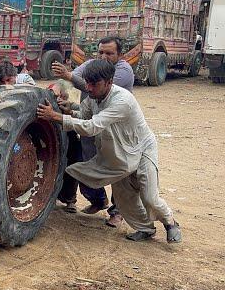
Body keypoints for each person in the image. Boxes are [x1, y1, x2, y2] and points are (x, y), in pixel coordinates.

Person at [36, 59, 182, 243]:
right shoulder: (93, 98)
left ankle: (170, 223)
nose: (88, 88)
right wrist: (70, 110)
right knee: (124, 197)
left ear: (109, 82)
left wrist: (56, 116)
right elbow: (84, 115)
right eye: (87, 83)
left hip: (142, 149)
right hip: (118, 153)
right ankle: (145, 229)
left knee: (150, 196)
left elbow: (92, 126)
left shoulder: (122, 100)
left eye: (93, 84)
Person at [52, 36, 133, 228]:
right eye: (101, 52)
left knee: (117, 170)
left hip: (112, 128)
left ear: (120, 55)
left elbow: (90, 83)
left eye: (109, 53)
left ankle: (117, 212)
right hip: (88, 121)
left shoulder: (123, 71)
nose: (104, 57)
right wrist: (58, 89)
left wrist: (70, 77)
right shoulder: (91, 64)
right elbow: (68, 79)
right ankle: (98, 200)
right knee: (87, 164)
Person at [47, 80, 80, 213]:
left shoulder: (74, 102)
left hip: (70, 135)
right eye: (58, 96)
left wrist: (68, 112)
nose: (59, 99)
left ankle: (70, 200)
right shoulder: (50, 97)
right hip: (54, 136)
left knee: (72, 165)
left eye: (63, 97)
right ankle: (52, 197)